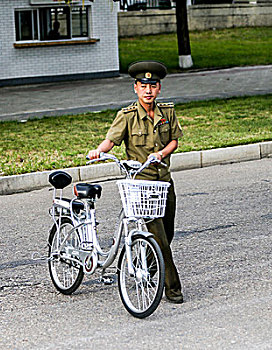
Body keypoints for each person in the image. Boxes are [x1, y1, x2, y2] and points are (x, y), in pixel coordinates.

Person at [88, 61, 184, 304]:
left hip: (165, 182)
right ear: (136, 88)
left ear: (159, 88)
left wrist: (161, 154)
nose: (148, 91)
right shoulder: (127, 116)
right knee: (160, 239)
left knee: (168, 234)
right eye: (143, 86)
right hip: (141, 186)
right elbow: (111, 141)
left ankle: (151, 266)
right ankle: (172, 289)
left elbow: (174, 141)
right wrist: (98, 151)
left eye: (152, 86)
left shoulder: (167, 112)